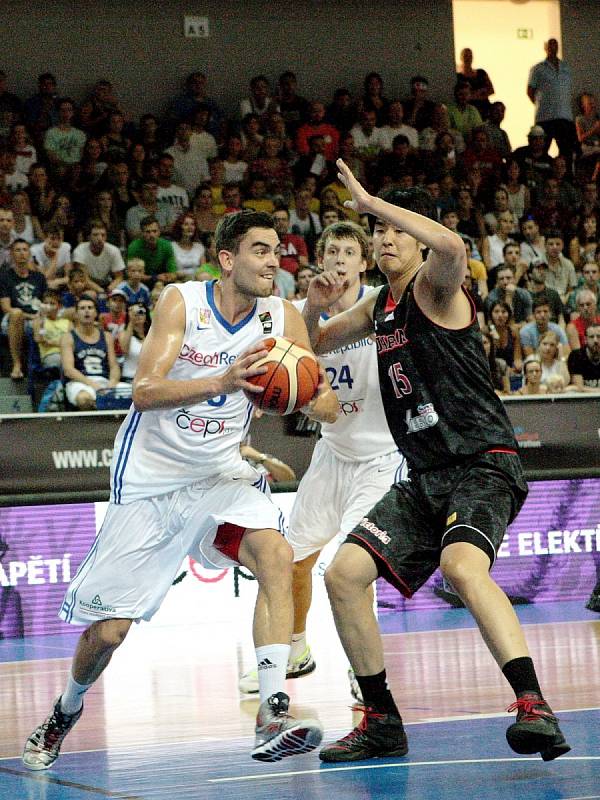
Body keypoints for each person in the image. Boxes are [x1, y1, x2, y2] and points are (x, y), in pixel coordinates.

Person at [22, 210, 337, 770]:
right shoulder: (181, 301)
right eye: (260, 250)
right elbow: (143, 391)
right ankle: (65, 711)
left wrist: (302, 391)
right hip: (151, 480)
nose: (274, 261)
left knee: (277, 553)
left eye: (277, 250)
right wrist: (222, 381)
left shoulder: (283, 315)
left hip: (221, 477)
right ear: (226, 259)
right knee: (111, 632)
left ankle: (272, 709)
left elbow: (323, 401)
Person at [301, 159, 570, 763]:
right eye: (378, 232)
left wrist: (372, 203)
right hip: (426, 477)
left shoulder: (437, 283)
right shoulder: (378, 307)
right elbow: (315, 341)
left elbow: (449, 243)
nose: (385, 239)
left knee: (461, 565)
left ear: (417, 233)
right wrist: (313, 304)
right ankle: (382, 722)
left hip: (482, 461)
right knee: (343, 576)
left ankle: (533, 705)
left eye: (395, 229)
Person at [239, 220, 406, 696]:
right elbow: (294, 362)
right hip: (332, 453)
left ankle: (362, 669)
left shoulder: (382, 305)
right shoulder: (299, 311)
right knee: (291, 559)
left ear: (363, 262)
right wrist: (307, 397)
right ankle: (295, 649)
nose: (338, 259)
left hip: (380, 457)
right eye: (331, 250)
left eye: (348, 252)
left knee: (353, 567)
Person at [60, 295, 124, 410]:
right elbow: (68, 370)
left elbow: (114, 365)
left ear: (96, 313)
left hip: (105, 382)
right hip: (80, 383)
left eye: (90, 308)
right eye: (82, 308)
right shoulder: (68, 337)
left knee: (136, 395)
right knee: (84, 399)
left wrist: (113, 382)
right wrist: (92, 385)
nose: (86, 311)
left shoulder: (107, 336)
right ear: (76, 314)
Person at [527, 38, 578, 171]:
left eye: (555, 45)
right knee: (540, 151)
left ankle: (566, 179)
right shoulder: (538, 69)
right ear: (546, 48)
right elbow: (530, 91)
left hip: (564, 117)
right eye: (550, 45)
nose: (553, 48)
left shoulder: (566, 68)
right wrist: (543, 104)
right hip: (545, 118)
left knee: (567, 151)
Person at [0, 239, 47, 378]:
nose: (22, 253)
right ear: (12, 255)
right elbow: (6, 308)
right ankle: (17, 364)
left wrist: (41, 315)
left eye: (25, 250)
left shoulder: (39, 277)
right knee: (16, 313)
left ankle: (47, 366)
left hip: (37, 319)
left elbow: (46, 302)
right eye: (17, 250)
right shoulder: (4, 277)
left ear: (30, 253)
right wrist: (30, 316)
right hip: (12, 321)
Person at [118, 302, 151, 381]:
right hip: (130, 378)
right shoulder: (124, 333)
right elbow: (124, 350)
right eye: (135, 313)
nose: (138, 315)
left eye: (141, 312)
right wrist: (131, 322)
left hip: (150, 379)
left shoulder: (153, 334)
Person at [567, 324, 600, 391]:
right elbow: (579, 387)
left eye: (599, 336)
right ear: (585, 339)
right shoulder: (576, 356)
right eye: (591, 337)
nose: (595, 340)